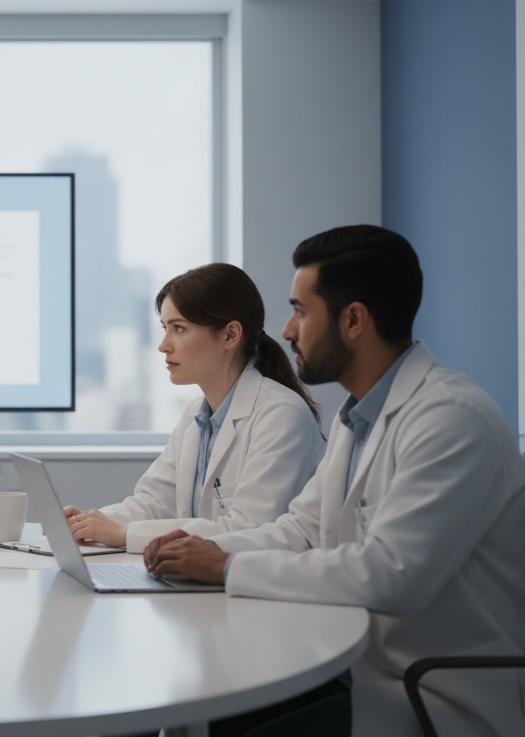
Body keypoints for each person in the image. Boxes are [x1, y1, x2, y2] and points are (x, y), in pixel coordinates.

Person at [145, 226, 525, 736]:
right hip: (354, 666)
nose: (286, 330)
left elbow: (391, 574)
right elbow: (299, 530)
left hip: (431, 691)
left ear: (353, 320)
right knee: (193, 703)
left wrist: (227, 566)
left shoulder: (450, 418)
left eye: (301, 311)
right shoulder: (358, 418)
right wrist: (198, 554)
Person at [63, 263, 326, 554]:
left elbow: (249, 530)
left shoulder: (281, 414)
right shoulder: (195, 415)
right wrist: (87, 524)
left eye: (179, 328)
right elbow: (153, 503)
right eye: (165, 328)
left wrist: (124, 534)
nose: (163, 345)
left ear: (229, 335)